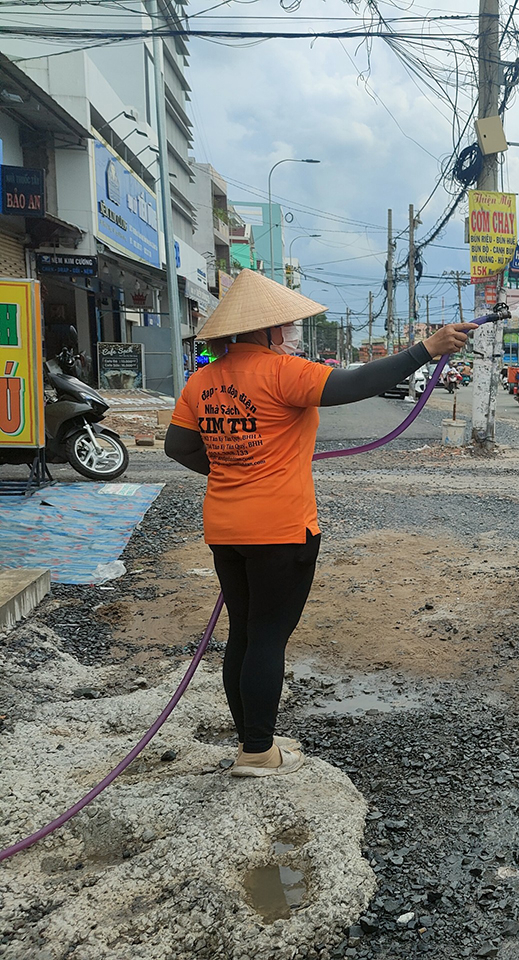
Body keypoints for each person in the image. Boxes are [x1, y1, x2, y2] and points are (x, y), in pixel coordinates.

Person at [163, 271, 476, 776]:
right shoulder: (282, 371)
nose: (290, 330)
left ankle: (253, 739)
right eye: (284, 323)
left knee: (243, 632)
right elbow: (356, 384)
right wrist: (426, 348)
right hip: (281, 529)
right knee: (268, 636)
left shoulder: (201, 380)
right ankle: (259, 752)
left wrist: (233, 467)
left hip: (225, 528)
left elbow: (178, 447)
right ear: (265, 331)